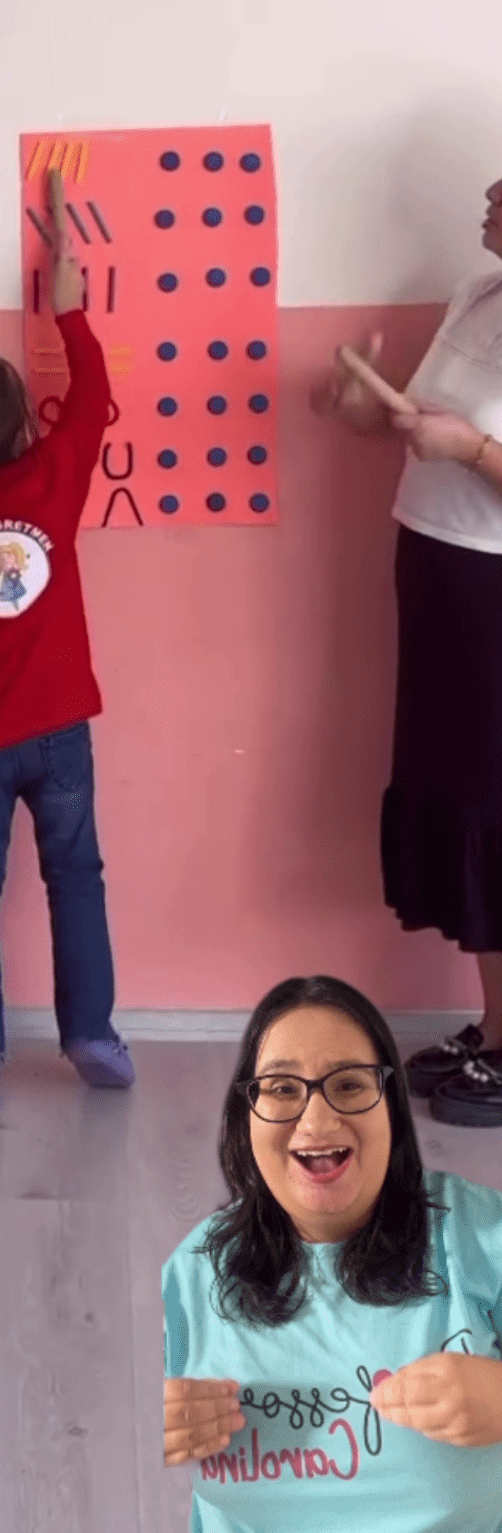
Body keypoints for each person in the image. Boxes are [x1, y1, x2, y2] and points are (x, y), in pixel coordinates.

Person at [0, 168, 133, 1117]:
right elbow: (92, 398)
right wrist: (69, 307)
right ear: (18, 433)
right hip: (58, 732)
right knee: (74, 876)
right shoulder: (51, 482)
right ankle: (91, 1033)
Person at [163, 975, 502, 1532]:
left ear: (391, 1108)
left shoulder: (481, 1235)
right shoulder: (192, 1272)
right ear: (246, 1114)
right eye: (282, 1088)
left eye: (348, 1085)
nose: (317, 1121)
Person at [314, 176, 502, 1128]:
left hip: (493, 589)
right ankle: (495, 1025)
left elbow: (463, 444)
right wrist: (363, 405)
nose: (490, 192)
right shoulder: (478, 293)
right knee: (461, 799)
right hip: (438, 569)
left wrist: (468, 451)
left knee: (494, 808)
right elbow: (420, 425)